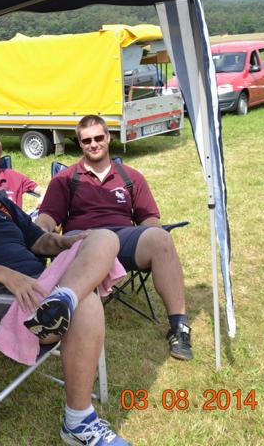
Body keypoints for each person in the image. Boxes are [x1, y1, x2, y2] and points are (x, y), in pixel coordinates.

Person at [0, 148, 131, 446]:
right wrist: (7, 275)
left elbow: (40, 240)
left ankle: (62, 301)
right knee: (88, 302)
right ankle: (78, 420)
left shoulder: (0, 205)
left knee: (104, 237)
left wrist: (67, 242)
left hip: (38, 284)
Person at [36, 115, 194, 361]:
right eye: (87, 140)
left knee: (161, 239)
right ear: (79, 143)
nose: (94, 144)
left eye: (99, 137)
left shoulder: (131, 177)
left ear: (109, 137)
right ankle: (58, 314)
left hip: (122, 237)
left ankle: (179, 327)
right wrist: (40, 230)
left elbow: (149, 219)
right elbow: (47, 216)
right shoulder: (66, 179)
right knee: (88, 242)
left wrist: (156, 234)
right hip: (83, 240)